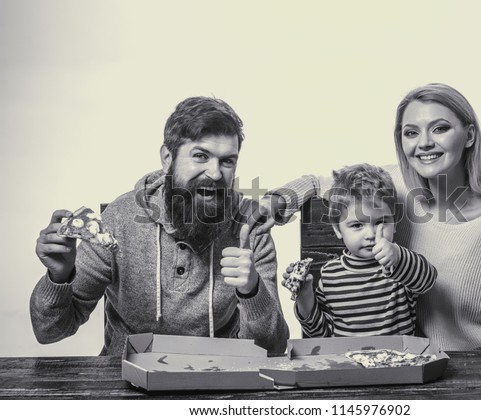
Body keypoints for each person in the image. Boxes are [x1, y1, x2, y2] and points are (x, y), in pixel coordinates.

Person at [251, 83, 481, 354]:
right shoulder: (395, 187)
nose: (423, 143)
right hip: (410, 365)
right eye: (411, 132)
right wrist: (275, 202)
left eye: (439, 128)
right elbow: (320, 183)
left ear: (468, 135)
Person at [31, 96, 289, 356]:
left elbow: (273, 348)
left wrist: (252, 290)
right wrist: (58, 277)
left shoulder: (250, 227)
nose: (215, 173)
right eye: (200, 156)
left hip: (216, 379)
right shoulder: (119, 220)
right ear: (168, 157)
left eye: (227, 161)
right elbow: (49, 331)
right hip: (125, 379)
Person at [283, 163, 437, 338]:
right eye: (357, 225)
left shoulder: (399, 265)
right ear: (338, 230)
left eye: (381, 222)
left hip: (398, 360)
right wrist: (304, 297)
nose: (371, 234)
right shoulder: (330, 275)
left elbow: (428, 280)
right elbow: (320, 334)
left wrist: (398, 256)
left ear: (394, 223)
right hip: (347, 362)